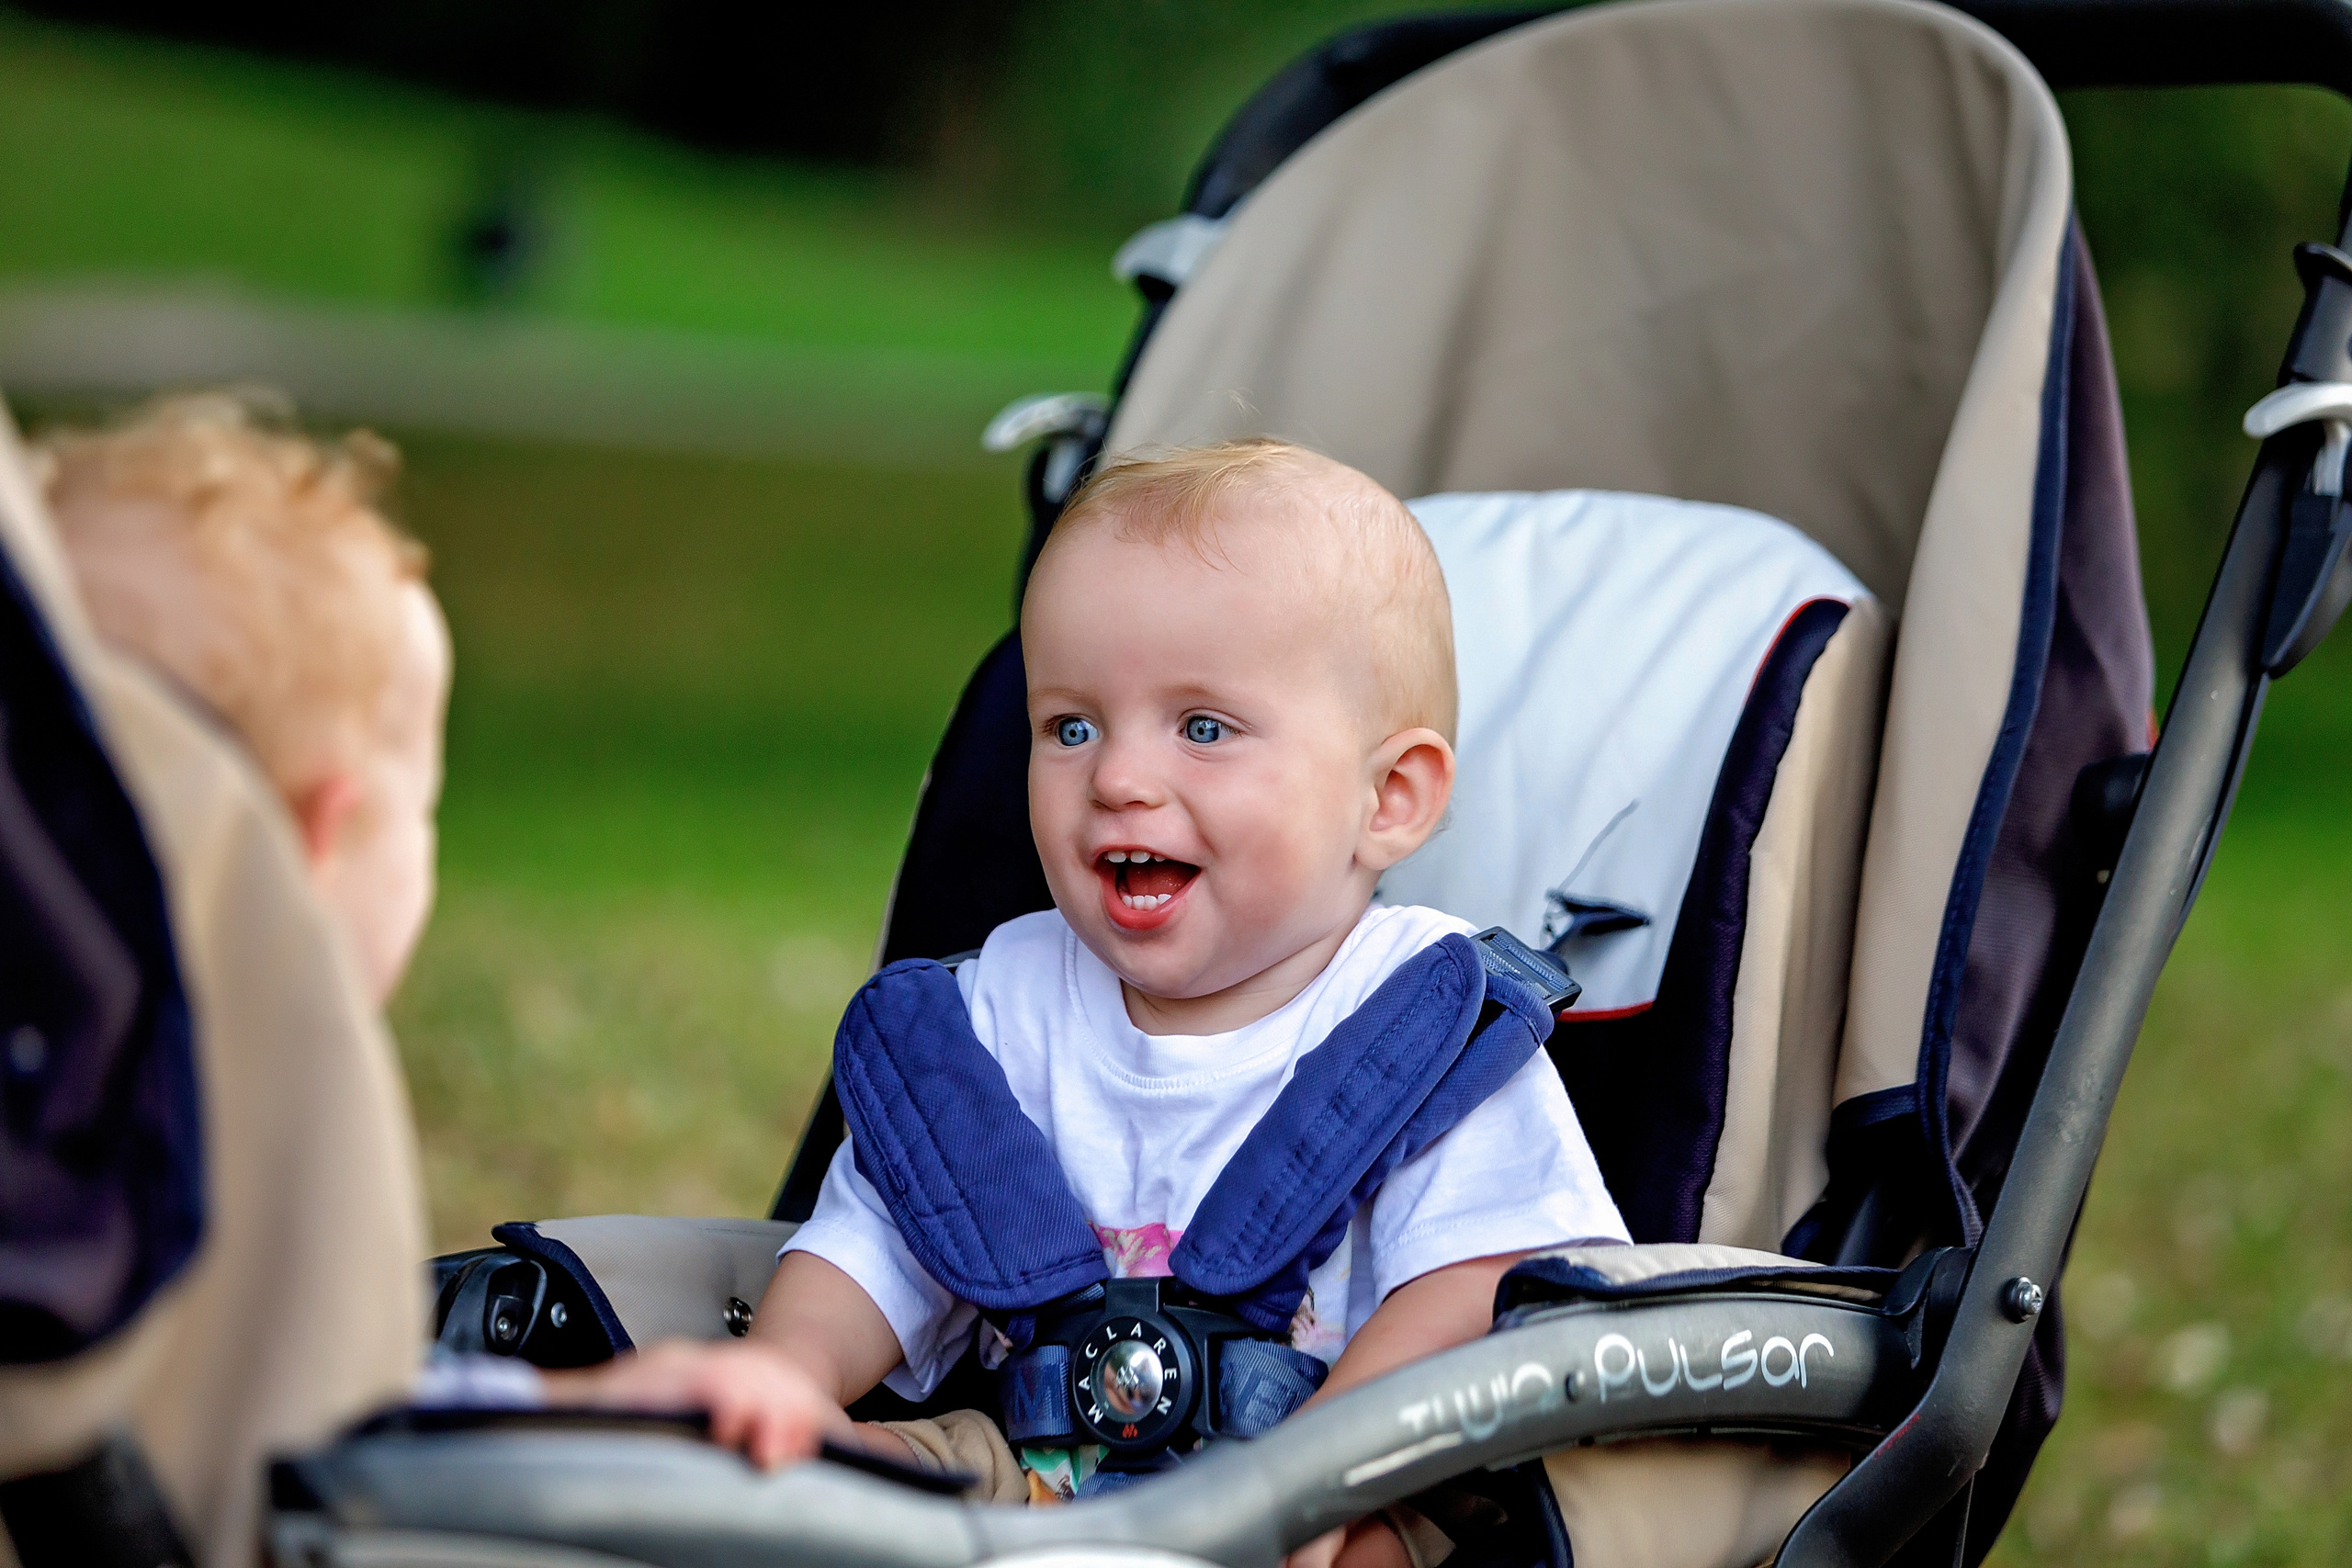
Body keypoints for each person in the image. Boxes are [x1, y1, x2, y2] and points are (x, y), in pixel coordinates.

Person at [752, 439, 1629, 1565]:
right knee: (822, 1497)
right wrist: (788, 1374)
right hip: (1031, 1485)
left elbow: (1483, 1287)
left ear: (1388, 799)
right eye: (1071, 726)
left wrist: (1320, 1469)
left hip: (1336, 1478)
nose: (1117, 777)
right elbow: (875, 1243)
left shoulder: (1418, 1019)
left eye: (1203, 728)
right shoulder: (1004, 1008)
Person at [37, 391, 839, 1472]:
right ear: (319, 839)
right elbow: (335, 1445)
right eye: (420, 806)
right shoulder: (260, 1138)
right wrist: (594, 1416)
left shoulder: (38, 1112)